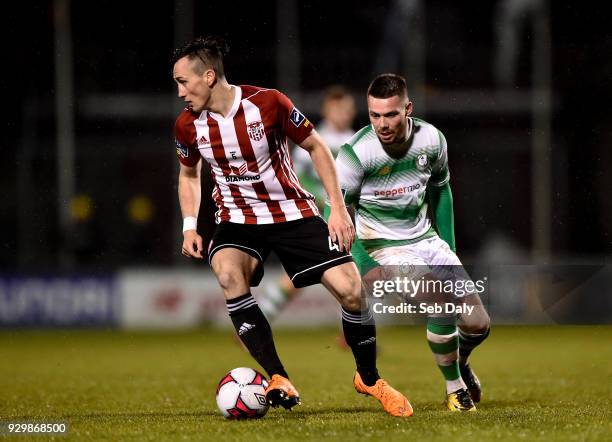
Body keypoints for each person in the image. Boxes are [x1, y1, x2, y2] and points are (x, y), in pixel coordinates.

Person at [171, 36, 411, 417]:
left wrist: (336, 209)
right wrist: (189, 226)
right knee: (228, 273)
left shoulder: (268, 103)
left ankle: (368, 377)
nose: (180, 92)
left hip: (292, 213)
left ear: (209, 76)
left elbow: (317, 147)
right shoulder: (188, 126)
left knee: (352, 291)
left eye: (184, 82)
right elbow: (188, 175)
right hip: (238, 220)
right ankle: (278, 376)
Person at [334, 73, 491, 412]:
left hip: (427, 240)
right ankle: (454, 389)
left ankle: (459, 363)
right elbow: (339, 217)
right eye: (375, 115)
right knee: (441, 302)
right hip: (383, 248)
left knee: (478, 324)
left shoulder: (432, 140)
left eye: (390, 114)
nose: (382, 123)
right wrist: (365, 263)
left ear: (408, 109)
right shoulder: (355, 155)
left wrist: (448, 246)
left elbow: (441, 189)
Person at [259, 86, 357, 322]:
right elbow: (297, 176)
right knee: (308, 274)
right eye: (338, 109)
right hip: (321, 217)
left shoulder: (355, 139)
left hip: (348, 218)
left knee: (350, 274)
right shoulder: (316, 138)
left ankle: (352, 327)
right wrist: (323, 198)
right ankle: (257, 320)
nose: (343, 114)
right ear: (327, 110)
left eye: (347, 109)